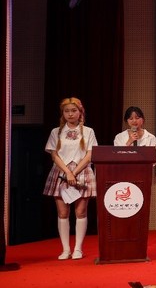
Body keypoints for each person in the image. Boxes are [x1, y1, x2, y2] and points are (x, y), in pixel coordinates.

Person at [43, 97, 97, 260]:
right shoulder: (56, 132)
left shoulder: (88, 131)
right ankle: (65, 249)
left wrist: (74, 172)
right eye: (67, 111)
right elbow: (54, 154)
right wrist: (67, 172)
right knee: (62, 212)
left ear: (80, 112)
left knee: (80, 211)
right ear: (63, 113)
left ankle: (78, 249)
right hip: (61, 172)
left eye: (74, 111)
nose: (70, 114)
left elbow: (90, 154)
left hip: (82, 171)